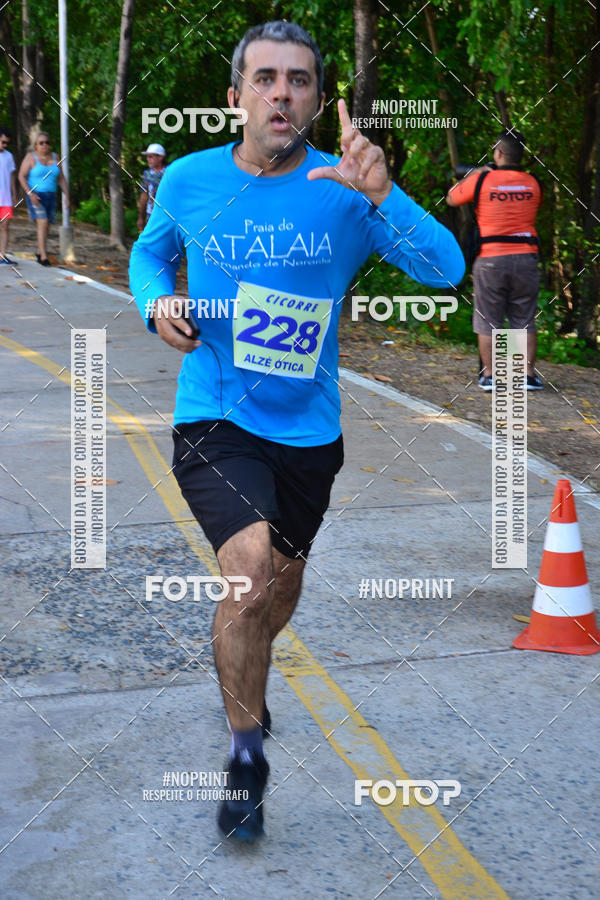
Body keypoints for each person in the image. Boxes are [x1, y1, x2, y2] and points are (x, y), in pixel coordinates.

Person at [130, 19, 464, 843]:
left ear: (316, 99)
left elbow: (447, 270)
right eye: (267, 78)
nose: (283, 92)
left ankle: (250, 674)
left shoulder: (344, 188)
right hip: (215, 411)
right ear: (235, 95)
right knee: (246, 575)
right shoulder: (191, 180)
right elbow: (149, 254)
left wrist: (385, 194)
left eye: (301, 80)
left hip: (309, 430)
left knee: (278, 588)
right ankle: (246, 754)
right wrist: (157, 301)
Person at [446, 128, 543, 390]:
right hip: (526, 258)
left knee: (488, 319)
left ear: (498, 153)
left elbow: (452, 198)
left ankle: (490, 376)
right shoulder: (533, 182)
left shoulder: (480, 181)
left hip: (491, 259)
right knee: (524, 318)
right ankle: (527, 376)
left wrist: (476, 174)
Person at [17, 132, 70, 266]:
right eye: (41, 143)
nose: (44, 145)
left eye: (47, 142)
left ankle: (40, 252)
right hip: (36, 195)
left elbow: (61, 179)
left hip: (51, 196)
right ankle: (44, 257)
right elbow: (21, 176)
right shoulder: (31, 157)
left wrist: (67, 197)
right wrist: (30, 193)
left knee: (47, 226)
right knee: (43, 223)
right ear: (36, 145)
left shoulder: (55, 157)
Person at [137, 143, 166, 231]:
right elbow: (144, 195)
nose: (148, 159)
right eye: (147, 157)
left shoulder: (169, 173)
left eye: (151, 157)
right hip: (150, 215)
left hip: (166, 217)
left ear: (160, 157)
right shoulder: (147, 174)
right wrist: (141, 217)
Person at [0, 126, 17, 264]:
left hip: (5, 199)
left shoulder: (9, 156)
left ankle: (3, 255)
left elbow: (12, 176)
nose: (5, 145)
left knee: (5, 226)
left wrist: (14, 194)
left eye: (7, 143)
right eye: (3, 142)